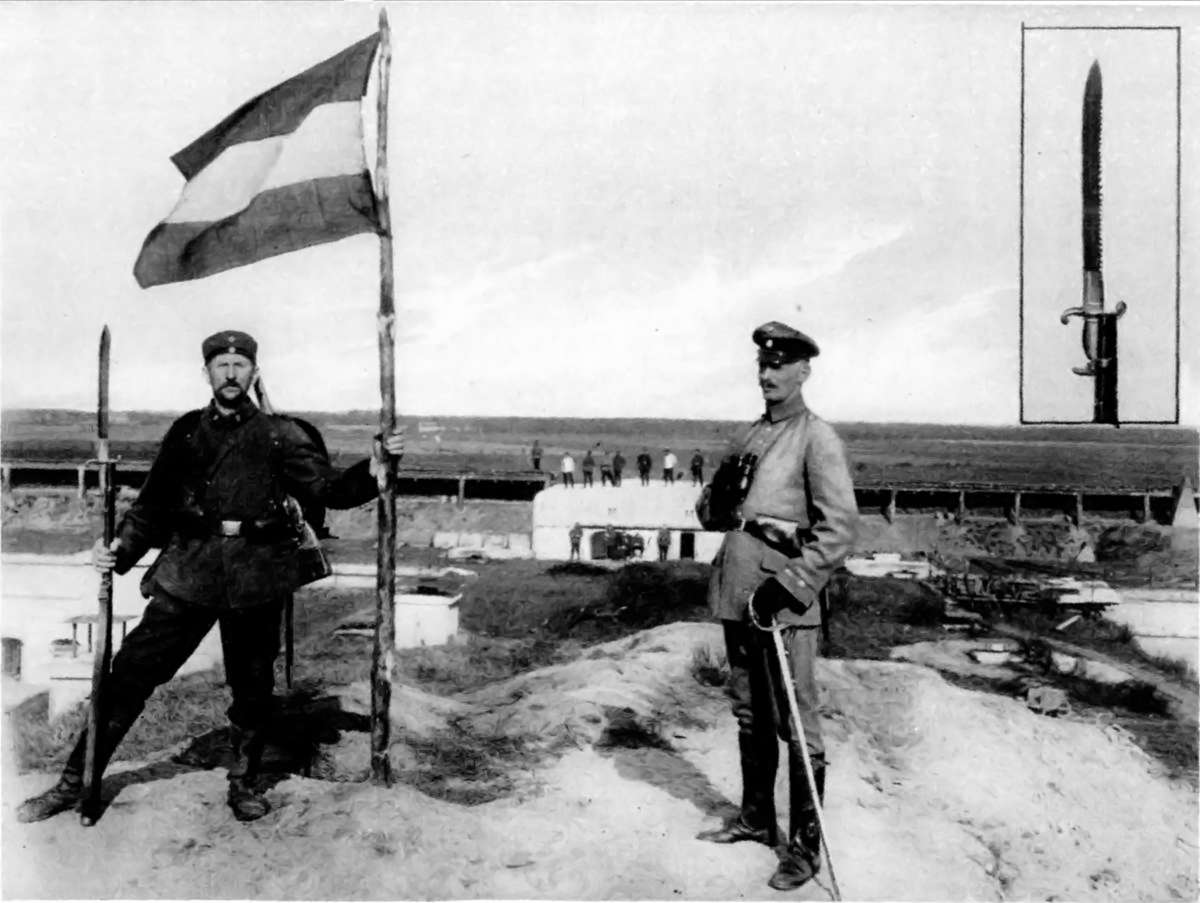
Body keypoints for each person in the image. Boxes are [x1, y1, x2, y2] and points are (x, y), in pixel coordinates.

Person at [16, 330, 406, 825]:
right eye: (220, 365)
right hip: (189, 573)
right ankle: (75, 782)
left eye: (239, 365)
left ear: (254, 373)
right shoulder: (184, 433)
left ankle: (244, 783)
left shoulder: (281, 434)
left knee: (252, 688)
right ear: (207, 373)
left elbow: (330, 490)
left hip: (256, 577)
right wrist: (118, 550)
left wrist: (376, 464)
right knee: (127, 677)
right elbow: (152, 506)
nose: (230, 373)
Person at [694, 321, 856, 892]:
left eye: (780, 366)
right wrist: (716, 492)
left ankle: (804, 851)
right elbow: (713, 515)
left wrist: (789, 583)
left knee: (796, 721)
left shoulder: (817, 438)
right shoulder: (749, 436)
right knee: (748, 710)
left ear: (803, 371)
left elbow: (837, 533)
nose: (768, 375)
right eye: (762, 365)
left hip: (784, 600)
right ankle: (757, 819)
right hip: (738, 591)